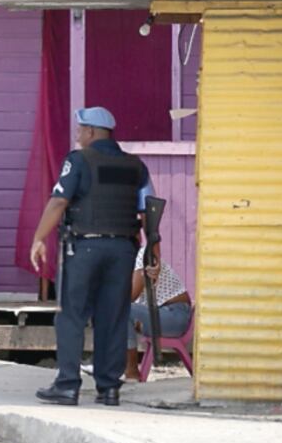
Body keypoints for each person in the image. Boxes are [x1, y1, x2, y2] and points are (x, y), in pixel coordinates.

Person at [29, 106, 155, 407]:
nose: (78, 135)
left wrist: (38, 237)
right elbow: (149, 208)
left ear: (90, 132)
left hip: (84, 248)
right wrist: (154, 250)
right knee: (112, 317)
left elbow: (60, 200)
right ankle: (109, 388)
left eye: (80, 129)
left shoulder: (79, 160)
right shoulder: (135, 166)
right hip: (123, 249)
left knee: (72, 315)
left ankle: (67, 385)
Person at [124, 249, 192, 381]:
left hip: (174, 315)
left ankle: (131, 372)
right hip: (159, 313)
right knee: (116, 313)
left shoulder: (143, 254)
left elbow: (131, 295)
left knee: (123, 311)